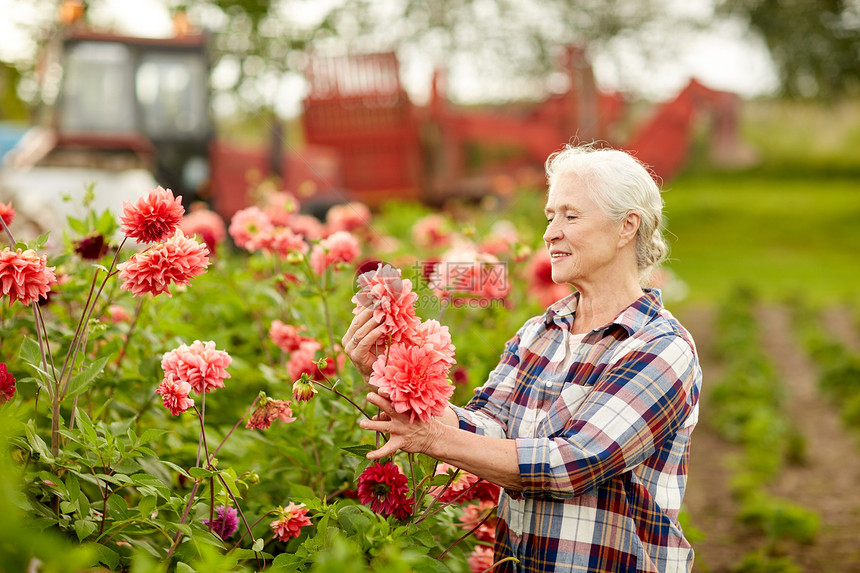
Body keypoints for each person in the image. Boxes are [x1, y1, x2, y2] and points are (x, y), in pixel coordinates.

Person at [343, 143, 702, 573]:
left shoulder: (661, 347)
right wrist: (389, 372)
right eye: (550, 217)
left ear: (627, 227)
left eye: (571, 215)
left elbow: (574, 464)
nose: (550, 233)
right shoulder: (539, 332)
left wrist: (434, 439)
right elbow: (487, 424)